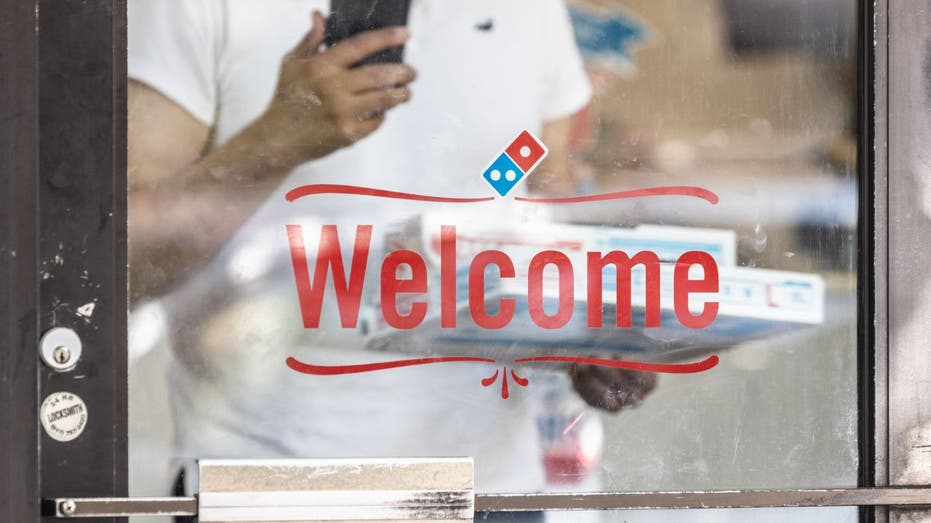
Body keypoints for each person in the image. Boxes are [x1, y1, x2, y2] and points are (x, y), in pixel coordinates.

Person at [128, 2, 654, 519]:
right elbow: (119, 267)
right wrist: (273, 141)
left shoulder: (528, 10)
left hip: (490, 489)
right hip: (272, 485)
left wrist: (590, 338)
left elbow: (548, 204)